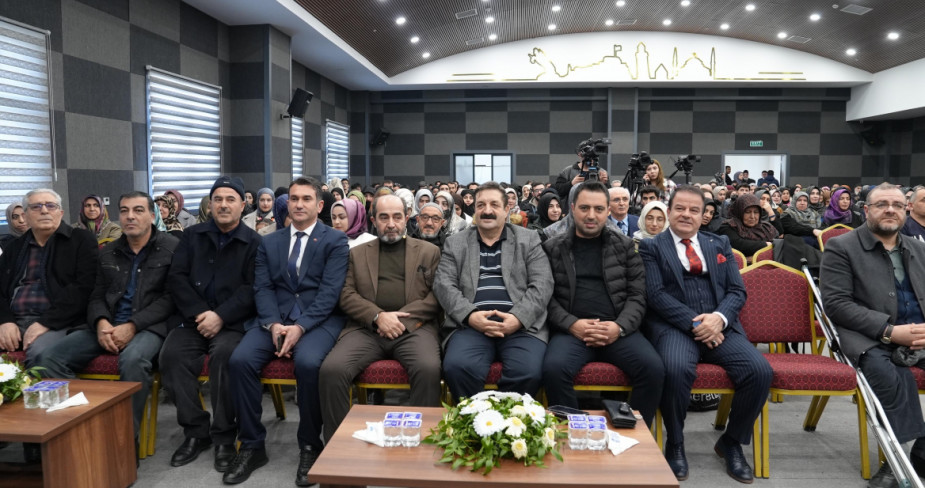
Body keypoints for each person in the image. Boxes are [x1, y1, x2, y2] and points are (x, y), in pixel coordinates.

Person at [639, 185, 772, 483]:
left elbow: (737, 291)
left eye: (694, 210)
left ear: (704, 216)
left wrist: (719, 319)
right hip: (675, 327)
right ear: (669, 211)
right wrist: (698, 324)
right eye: (680, 208)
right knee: (673, 369)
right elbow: (656, 295)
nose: (687, 214)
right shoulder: (651, 247)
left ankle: (732, 441)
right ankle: (675, 442)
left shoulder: (719, 243)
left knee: (759, 370)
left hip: (720, 324)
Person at [225, 177, 349, 486]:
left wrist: (300, 326)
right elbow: (263, 287)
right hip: (274, 319)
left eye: (307, 199)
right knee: (240, 360)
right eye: (294, 198)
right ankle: (252, 445)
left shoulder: (334, 241)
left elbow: (330, 293)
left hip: (318, 321)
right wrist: (273, 323)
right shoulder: (269, 240)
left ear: (319, 206)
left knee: (308, 364)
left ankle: (309, 444)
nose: (299, 204)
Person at [39, 191, 178, 445]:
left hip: (149, 326)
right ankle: (83, 425)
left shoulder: (171, 248)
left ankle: (124, 440)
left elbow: (170, 299)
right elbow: (96, 296)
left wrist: (132, 325)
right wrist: (101, 322)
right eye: (124, 211)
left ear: (151, 214)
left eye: (138, 210)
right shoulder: (108, 252)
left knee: (133, 359)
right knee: (48, 358)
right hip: (106, 324)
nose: (130, 217)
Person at [820, 183, 925, 487]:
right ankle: (896, 463)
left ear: (906, 210)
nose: (890, 209)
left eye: (896, 204)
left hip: (919, 333)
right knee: (892, 377)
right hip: (869, 336)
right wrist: (890, 331)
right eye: (881, 204)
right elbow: (837, 305)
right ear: (866, 210)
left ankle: (920, 454)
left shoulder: (919, 249)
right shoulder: (842, 247)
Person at [319, 194, 442, 442]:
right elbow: (346, 294)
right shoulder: (357, 253)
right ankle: (339, 447)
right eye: (384, 217)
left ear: (407, 218)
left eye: (397, 217)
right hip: (366, 329)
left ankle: (424, 444)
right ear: (374, 220)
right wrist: (377, 317)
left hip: (415, 329)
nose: (391, 223)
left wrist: (400, 321)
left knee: (428, 368)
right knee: (332, 370)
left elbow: (437, 296)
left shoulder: (429, 251)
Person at [541, 181, 664, 427]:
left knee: (653, 369)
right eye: (584, 208)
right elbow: (546, 297)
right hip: (572, 331)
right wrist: (572, 324)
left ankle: (631, 437)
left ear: (608, 211)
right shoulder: (552, 248)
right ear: (573, 209)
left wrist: (618, 328)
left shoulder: (625, 246)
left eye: (598, 209)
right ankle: (573, 432)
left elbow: (638, 295)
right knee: (554, 370)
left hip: (618, 329)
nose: (591, 215)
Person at [159, 176, 260, 473]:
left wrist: (221, 316)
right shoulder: (192, 236)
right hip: (193, 319)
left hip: (233, 323)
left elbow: (253, 288)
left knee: (225, 359)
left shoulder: (255, 242)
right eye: (218, 199)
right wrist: (201, 312)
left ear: (243, 205)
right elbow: (177, 277)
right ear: (210, 204)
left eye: (231, 199)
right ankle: (195, 432)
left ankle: (225, 437)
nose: (224, 205)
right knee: (171, 356)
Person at [434, 181, 554, 399]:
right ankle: (474, 422)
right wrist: (470, 316)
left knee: (527, 371)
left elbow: (542, 284)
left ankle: (511, 426)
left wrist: (517, 318)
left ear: (507, 209)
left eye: (494, 205)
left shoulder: (528, 239)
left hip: (521, 327)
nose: (487, 211)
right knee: (457, 367)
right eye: (481, 205)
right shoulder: (456, 243)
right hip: (469, 326)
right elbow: (444, 285)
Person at [0, 189, 98, 366]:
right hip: (15, 320)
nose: (44, 210)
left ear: (60, 213)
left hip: (60, 322)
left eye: (50, 206)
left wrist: (45, 323)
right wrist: (5, 321)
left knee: (40, 355)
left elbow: (84, 288)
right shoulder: (14, 248)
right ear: (26, 215)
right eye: (36, 206)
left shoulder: (81, 240)